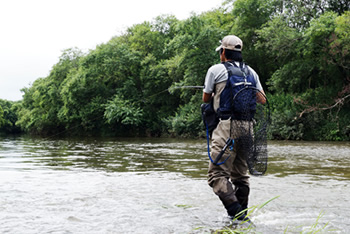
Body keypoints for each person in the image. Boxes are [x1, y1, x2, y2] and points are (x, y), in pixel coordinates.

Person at [202, 35, 266, 221]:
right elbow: (261, 99)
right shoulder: (251, 72)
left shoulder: (215, 70)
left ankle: (238, 215)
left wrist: (217, 92)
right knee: (240, 175)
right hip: (248, 128)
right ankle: (239, 219)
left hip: (226, 127)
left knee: (216, 175)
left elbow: (206, 99)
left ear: (223, 52)